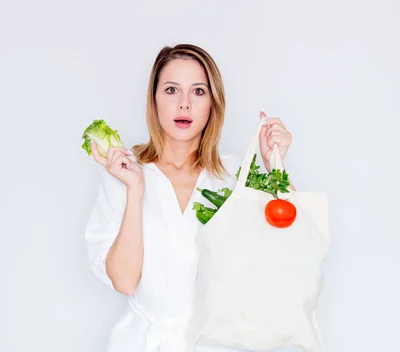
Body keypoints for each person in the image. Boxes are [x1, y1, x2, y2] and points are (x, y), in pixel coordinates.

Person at [84, 44, 295, 352]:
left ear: (213, 103)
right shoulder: (125, 173)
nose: (184, 105)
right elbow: (126, 282)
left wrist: (274, 163)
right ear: (154, 99)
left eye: (198, 92)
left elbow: (287, 256)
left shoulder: (235, 175)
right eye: (171, 90)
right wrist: (135, 188)